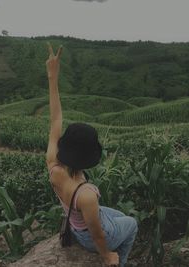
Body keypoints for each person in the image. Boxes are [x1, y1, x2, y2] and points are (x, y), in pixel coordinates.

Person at [45, 42, 138, 267]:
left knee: (115, 213)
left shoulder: (53, 165)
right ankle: (120, 262)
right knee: (132, 223)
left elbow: (56, 119)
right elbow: (97, 236)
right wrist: (107, 256)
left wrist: (52, 77)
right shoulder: (86, 194)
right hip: (86, 236)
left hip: (73, 222)